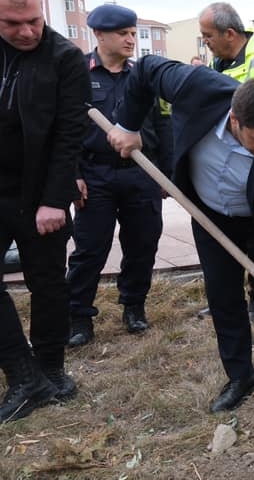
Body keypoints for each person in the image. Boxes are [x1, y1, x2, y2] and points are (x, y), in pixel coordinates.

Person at [107, 58, 254, 426]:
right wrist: (127, 125)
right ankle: (242, 376)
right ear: (235, 121)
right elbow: (143, 71)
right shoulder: (196, 87)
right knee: (223, 298)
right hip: (210, 216)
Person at [0, 0, 89, 421]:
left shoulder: (65, 59)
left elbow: (71, 133)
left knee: (48, 282)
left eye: (33, 21)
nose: (26, 32)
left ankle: (52, 369)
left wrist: (55, 199)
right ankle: (22, 374)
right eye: (12, 24)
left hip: (40, 194)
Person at [65, 4, 172, 347]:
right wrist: (73, 174)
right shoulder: (76, 73)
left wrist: (164, 174)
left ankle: (134, 306)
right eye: (122, 34)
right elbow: (64, 130)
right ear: (98, 34)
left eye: (132, 33)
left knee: (143, 244)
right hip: (93, 176)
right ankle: (79, 315)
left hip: (140, 174)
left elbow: (161, 125)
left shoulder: (144, 76)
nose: (131, 40)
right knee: (90, 249)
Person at [198, 1, 254, 321]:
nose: (205, 41)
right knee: (224, 239)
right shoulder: (220, 61)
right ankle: (225, 297)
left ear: (230, 33)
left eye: (208, 36)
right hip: (225, 161)